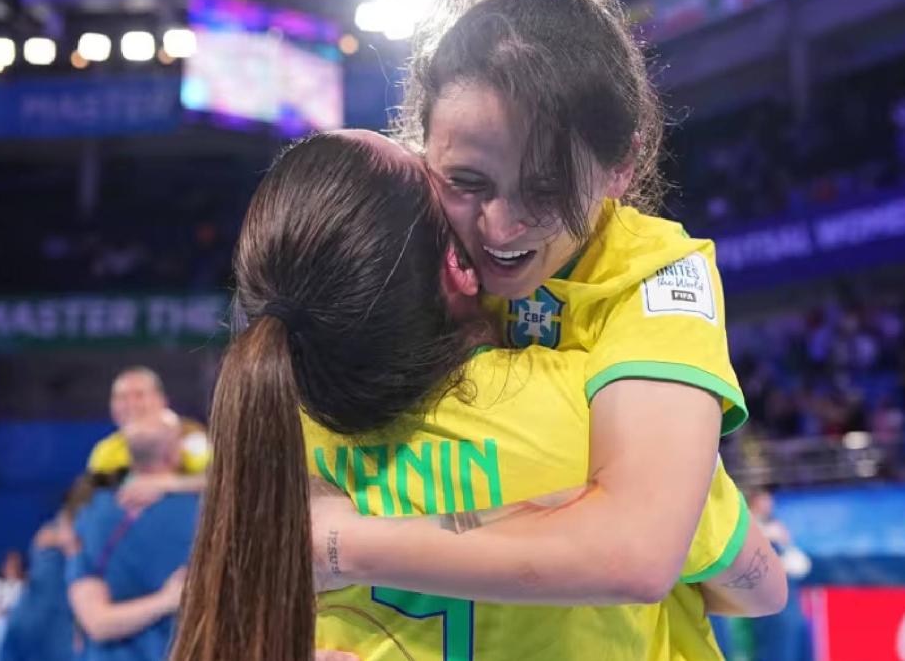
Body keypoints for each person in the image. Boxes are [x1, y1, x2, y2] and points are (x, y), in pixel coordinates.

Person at [170, 131, 785, 661]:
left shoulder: (279, 428)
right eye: (447, 185)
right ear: (458, 266)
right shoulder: (600, 413)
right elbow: (759, 589)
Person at [311, 0, 747, 608]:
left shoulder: (656, 274)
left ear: (621, 164)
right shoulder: (393, 246)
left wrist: (341, 546)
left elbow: (636, 555)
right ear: (421, 145)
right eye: (466, 181)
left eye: (547, 188)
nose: (500, 226)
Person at [68, 415, 198, 661]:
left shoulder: (91, 517)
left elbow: (97, 622)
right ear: (174, 455)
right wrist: (167, 601)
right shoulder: (206, 515)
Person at [0, 478, 94, 661]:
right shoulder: (52, 534)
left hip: (52, 627)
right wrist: (18, 575)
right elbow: (39, 578)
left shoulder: (50, 534)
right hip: (36, 626)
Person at [86, 367, 208, 508]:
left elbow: (221, 482)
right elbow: (92, 500)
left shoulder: (192, 437)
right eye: (121, 397)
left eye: (139, 395)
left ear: (161, 401)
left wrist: (166, 484)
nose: (130, 404)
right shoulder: (105, 451)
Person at [743, 489, 813, 661]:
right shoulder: (746, 529)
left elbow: (801, 565)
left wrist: (784, 543)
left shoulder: (777, 529)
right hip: (770, 612)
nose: (768, 504)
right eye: (763, 499)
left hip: (790, 608)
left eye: (769, 499)